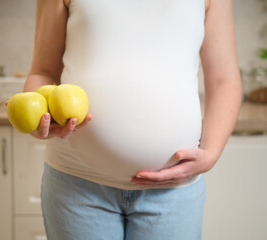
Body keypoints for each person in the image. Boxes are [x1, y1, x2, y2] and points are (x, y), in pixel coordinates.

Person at [23, 0, 242, 239]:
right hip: (77, 185)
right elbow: (43, 72)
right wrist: (39, 118)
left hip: (174, 192)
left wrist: (211, 153)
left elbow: (224, 80)